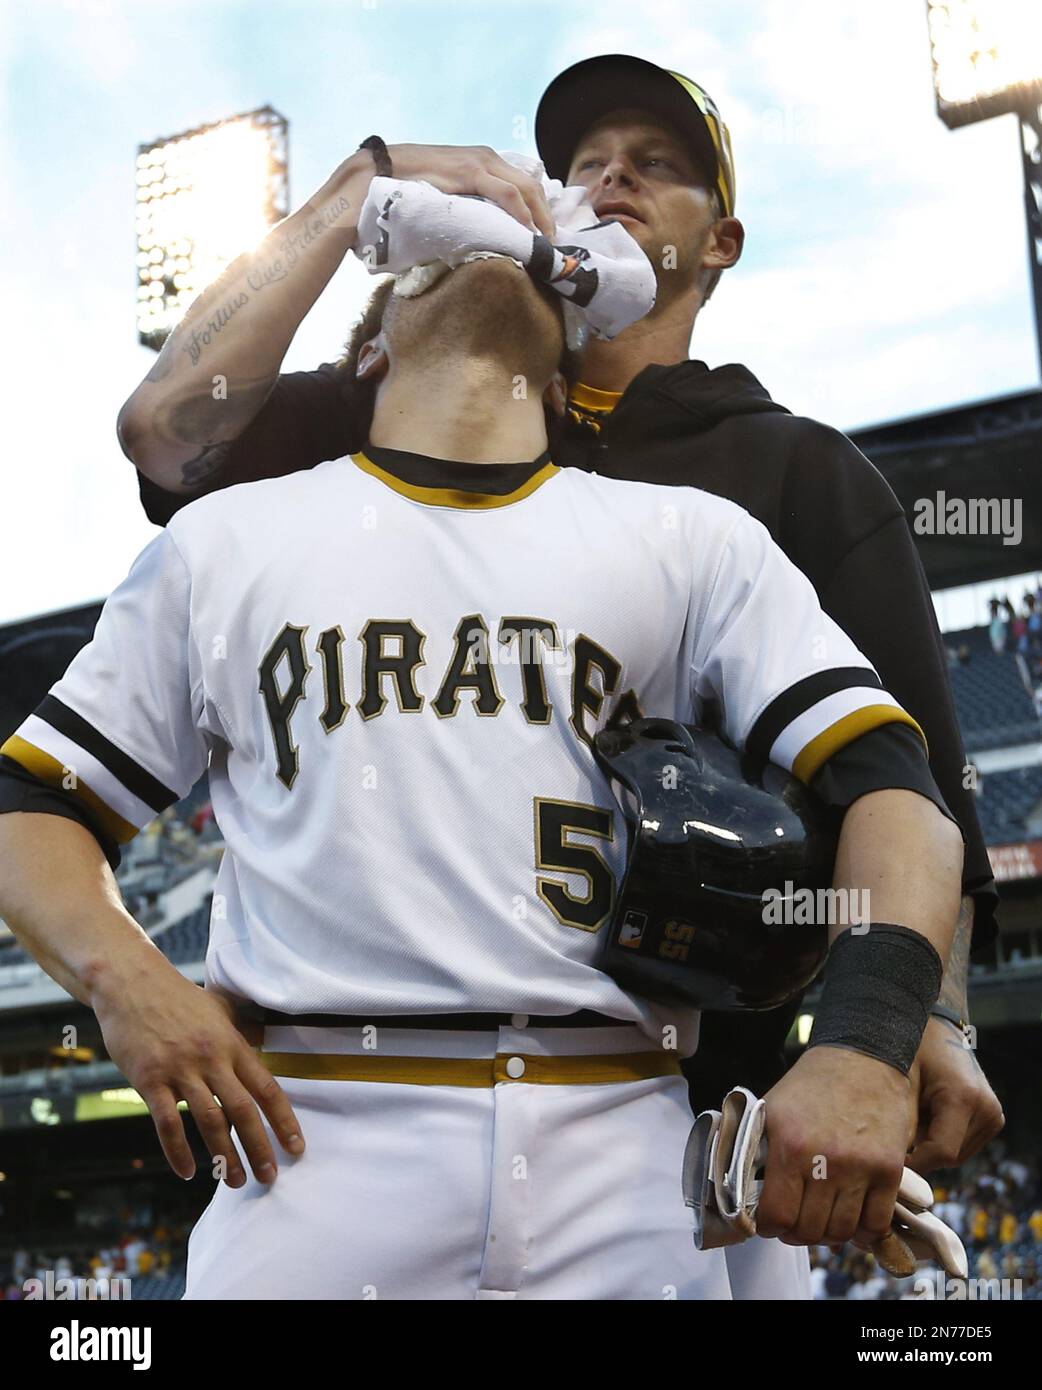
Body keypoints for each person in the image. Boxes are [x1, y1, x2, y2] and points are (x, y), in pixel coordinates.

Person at [0, 246, 963, 1298]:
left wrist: (866, 1042)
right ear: (367, 352)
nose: (488, 252)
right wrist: (128, 982)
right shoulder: (222, 541)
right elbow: (33, 799)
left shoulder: (690, 537)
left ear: (559, 381)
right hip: (314, 1137)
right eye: (438, 253)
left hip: (624, 1130)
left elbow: (893, 791)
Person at [113, 56, 1002, 1191]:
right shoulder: (406, 394)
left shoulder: (798, 472)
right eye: (584, 164)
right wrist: (351, 194)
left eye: (656, 164)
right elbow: (164, 431)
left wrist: (909, 1024)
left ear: (717, 242)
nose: (611, 175)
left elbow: (913, 788)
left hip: (700, 1113)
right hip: (369, 1108)